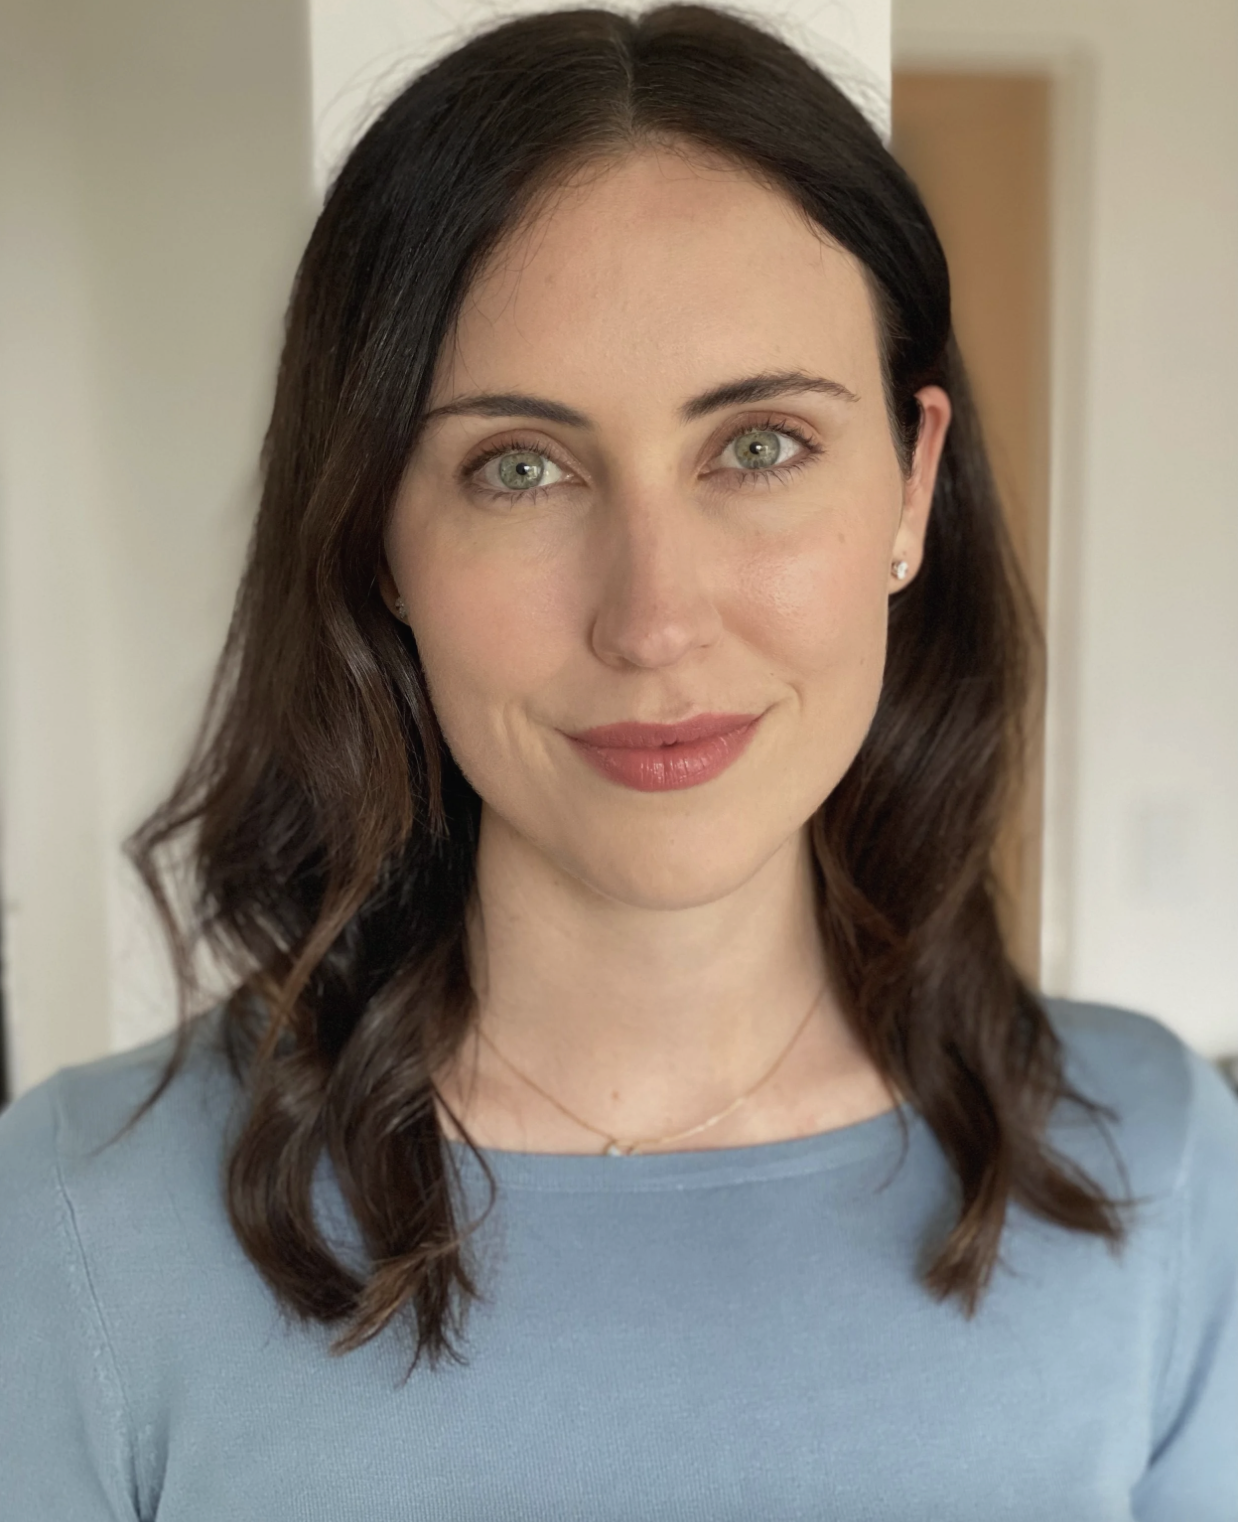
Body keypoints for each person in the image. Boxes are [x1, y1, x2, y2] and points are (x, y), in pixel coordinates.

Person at [1, 5, 1235, 1518]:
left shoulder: (1161, 1173)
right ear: (378, 532)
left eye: (760, 444)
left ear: (909, 484)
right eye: (519, 467)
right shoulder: (76, 1216)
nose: (651, 616)